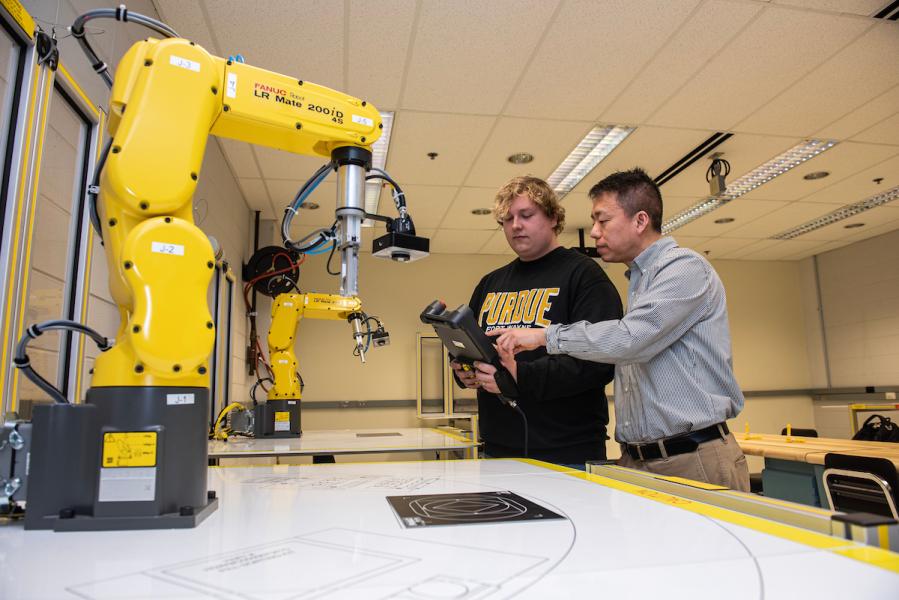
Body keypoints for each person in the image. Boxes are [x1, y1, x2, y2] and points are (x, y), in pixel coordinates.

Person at [490, 168, 750, 491]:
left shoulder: (685, 269)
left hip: (692, 459)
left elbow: (630, 339)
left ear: (640, 221)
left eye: (603, 220)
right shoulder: (640, 282)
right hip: (640, 460)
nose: (595, 232)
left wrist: (545, 335)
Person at [451, 176, 622, 466]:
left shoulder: (584, 276)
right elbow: (479, 348)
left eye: (526, 215)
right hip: (497, 450)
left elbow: (599, 362)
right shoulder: (490, 283)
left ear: (553, 217)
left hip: (569, 452)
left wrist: (520, 376)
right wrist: (464, 371)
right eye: (507, 219)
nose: (515, 225)